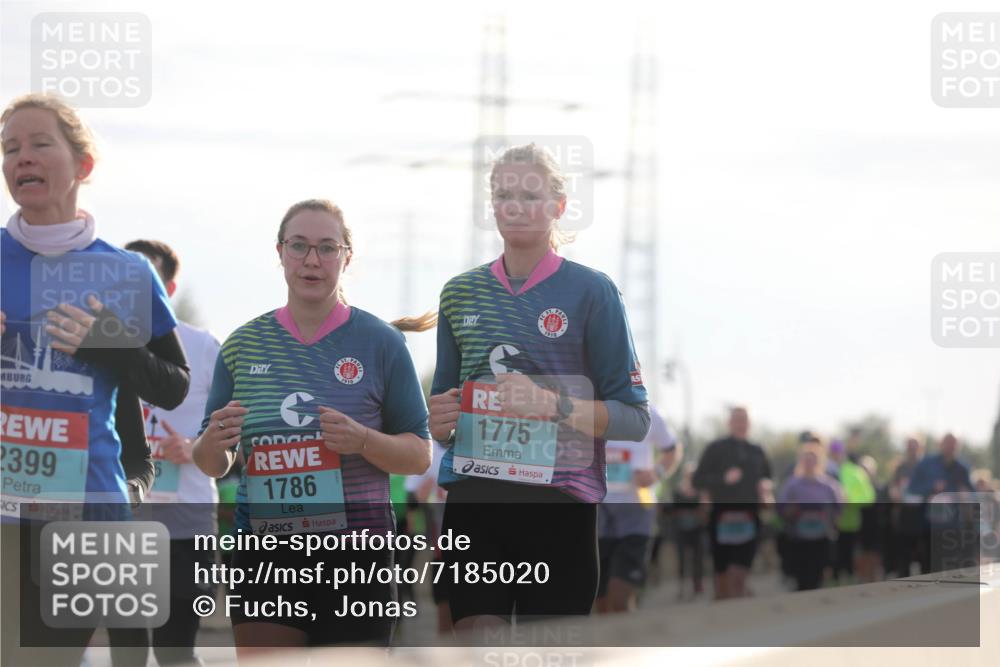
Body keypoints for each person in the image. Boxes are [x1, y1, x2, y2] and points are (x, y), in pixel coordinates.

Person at [192, 199, 432, 657]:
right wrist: (212, 443)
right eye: (299, 246)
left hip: (355, 557)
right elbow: (211, 461)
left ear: (347, 256)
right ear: (280, 252)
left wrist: (363, 440)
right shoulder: (243, 344)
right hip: (265, 555)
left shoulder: (380, 342)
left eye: (326, 248)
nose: (311, 260)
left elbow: (418, 453)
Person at [427, 143, 651, 632]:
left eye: (530, 195)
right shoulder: (459, 292)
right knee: (477, 645)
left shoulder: (591, 291)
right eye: (504, 194)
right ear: (492, 207)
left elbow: (635, 419)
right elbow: (444, 414)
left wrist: (553, 405)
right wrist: (440, 423)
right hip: (476, 500)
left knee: (548, 652)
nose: (516, 206)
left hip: (559, 505)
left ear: (558, 206)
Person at [1, 94, 187, 667]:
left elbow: (173, 385)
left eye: (38, 144)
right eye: (10, 148)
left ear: (82, 166)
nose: (21, 158)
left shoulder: (126, 271)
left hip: (92, 511)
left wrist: (111, 341)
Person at [106, 240, 221, 667]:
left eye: (146, 281)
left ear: (166, 290)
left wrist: (193, 448)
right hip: (119, 517)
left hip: (186, 521)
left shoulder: (205, 347)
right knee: (126, 652)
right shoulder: (97, 339)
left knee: (177, 651)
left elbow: (236, 432)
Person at [596, 406, 681, 613]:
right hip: (598, 511)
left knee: (619, 594)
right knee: (602, 600)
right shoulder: (589, 406)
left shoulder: (649, 413)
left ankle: (624, 641)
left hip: (637, 510)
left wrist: (656, 472)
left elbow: (672, 449)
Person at [692, 406, 772, 600]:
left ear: (750, 423)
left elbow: (768, 478)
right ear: (729, 423)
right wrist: (723, 479)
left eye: (744, 419)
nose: (741, 423)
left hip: (750, 517)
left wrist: (765, 486)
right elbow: (697, 480)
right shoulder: (716, 448)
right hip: (721, 517)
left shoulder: (757, 450)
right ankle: (723, 614)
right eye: (736, 419)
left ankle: (740, 614)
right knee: (723, 575)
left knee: (740, 573)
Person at [777, 435, 842, 591]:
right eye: (806, 458)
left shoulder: (829, 485)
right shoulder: (792, 484)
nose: (809, 462)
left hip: (822, 537)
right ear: (801, 460)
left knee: (818, 575)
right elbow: (781, 508)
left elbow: (838, 508)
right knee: (802, 577)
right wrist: (790, 511)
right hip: (798, 538)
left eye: (813, 458)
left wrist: (830, 519)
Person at [906, 433, 974, 574]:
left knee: (950, 566)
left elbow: (973, 494)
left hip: (953, 526)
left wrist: (966, 495)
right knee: (927, 565)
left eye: (954, 445)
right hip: (928, 524)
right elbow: (912, 488)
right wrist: (931, 487)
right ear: (941, 444)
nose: (950, 448)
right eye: (947, 444)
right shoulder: (926, 464)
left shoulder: (963, 468)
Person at [829, 439, 875, 585]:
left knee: (848, 556)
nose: (836, 455)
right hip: (828, 524)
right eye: (833, 452)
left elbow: (869, 497)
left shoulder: (855, 471)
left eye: (838, 452)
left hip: (849, 523)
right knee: (831, 557)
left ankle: (848, 584)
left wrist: (849, 499)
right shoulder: (824, 469)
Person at [671, 462, 709, 600]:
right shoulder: (678, 491)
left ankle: (697, 585)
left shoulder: (701, 492)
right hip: (681, 529)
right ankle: (682, 587)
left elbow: (705, 511)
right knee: (682, 560)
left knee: (698, 558)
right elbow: (673, 511)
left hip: (697, 530)